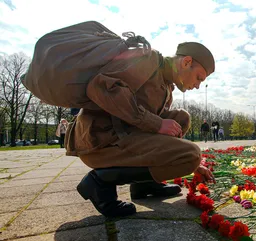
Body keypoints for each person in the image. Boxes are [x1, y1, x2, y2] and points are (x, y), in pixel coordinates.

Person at [66, 42, 216, 217]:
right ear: (186, 62)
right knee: (191, 154)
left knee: (181, 119)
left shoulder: (166, 84)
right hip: (102, 140)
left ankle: (143, 184)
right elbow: (99, 87)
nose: (197, 85)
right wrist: (156, 124)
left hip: (122, 134)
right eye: (199, 78)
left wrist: (194, 166)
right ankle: (100, 182)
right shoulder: (147, 61)